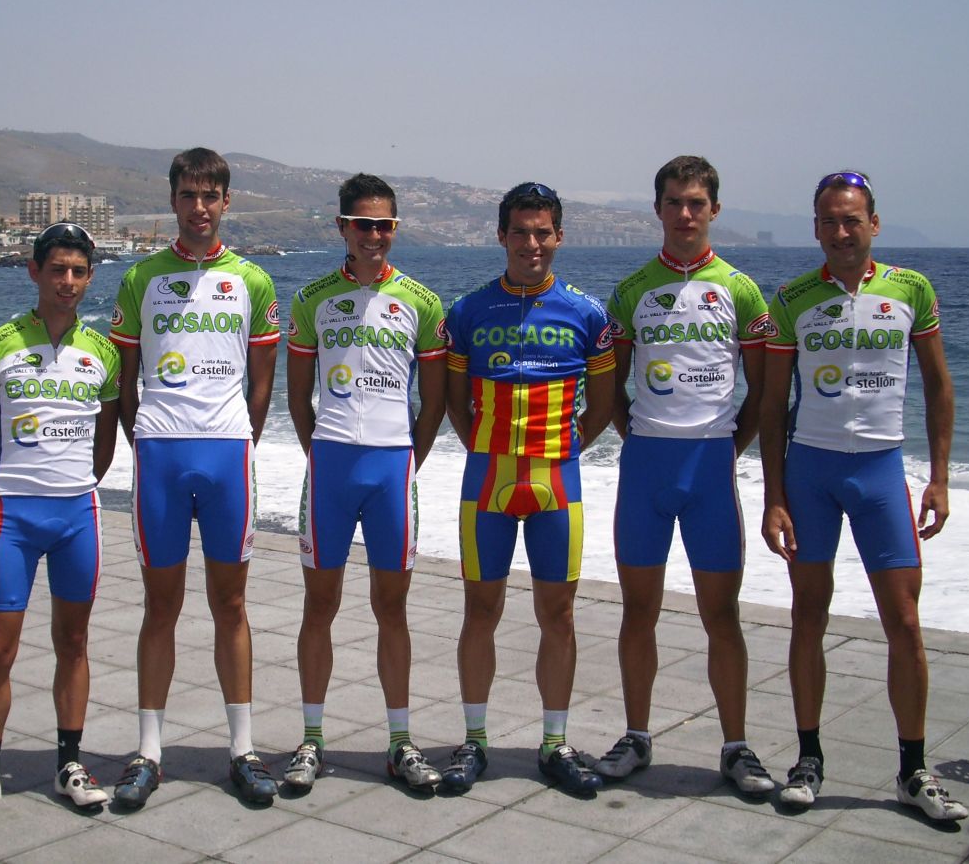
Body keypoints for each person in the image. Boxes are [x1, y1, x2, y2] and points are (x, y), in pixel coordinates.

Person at [760, 171, 967, 821]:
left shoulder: (911, 289)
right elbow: (771, 405)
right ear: (816, 228)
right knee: (808, 615)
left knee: (904, 621)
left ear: (873, 223)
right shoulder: (792, 298)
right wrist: (773, 496)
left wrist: (939, 477)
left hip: (880, 473)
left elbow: (939, 386)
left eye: (852, 219)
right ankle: (808, 758)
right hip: (811, 474)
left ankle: (913, 769)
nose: (841, 231)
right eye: (829, 220)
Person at [595, 156, 775, 796]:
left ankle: (736, 746)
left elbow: (763, 391)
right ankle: (636, 736)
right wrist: (641, 436)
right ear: (658, 210)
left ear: (714, 210)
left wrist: (728, 445)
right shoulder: (631, 290)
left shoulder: (741, 290)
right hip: (647, 468)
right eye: (673, 202)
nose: (685, 213)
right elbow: (610, 389)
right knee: (637, 611)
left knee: (721, 615)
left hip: (710, 472)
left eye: (696, 202)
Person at [109, 148, 281, 806]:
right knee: (161, 607)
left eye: (211, 196)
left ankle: (243, 749)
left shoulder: (253, 281)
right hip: (160, 455)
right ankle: (149, 752)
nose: (199, 207)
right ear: (174, 200)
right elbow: (124, 385)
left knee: (230, 605)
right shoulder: (141, 278)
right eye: (188, 195)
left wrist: (239, 436)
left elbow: (262, 384)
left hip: (227, 456)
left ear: (226, 202)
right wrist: (147, 438)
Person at [441, 182, 614, 795]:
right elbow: (454, 404)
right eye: (520, 232)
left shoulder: (588, 314)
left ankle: (554, 742)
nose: (531, 243)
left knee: (558, 615)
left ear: (559, 237)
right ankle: (474, 740)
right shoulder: (467, 310)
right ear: (501, 236)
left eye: (543, 233)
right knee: (480, 612)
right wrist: (489, 449)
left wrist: (559, 451)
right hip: (486, 481)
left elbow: (603, 406)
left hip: (556, 482)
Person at [284, 173, 447, 791]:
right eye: (363, 224)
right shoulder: (312, 299)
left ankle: (400, 742)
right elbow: (298, 398)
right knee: (319, 605)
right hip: (330, 469)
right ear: (343, 228)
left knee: (391, 608)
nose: (374, 235)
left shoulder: (422, 302)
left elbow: (433, 404)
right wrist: (322, 453)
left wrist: (407, 461)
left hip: (390, 471)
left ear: (394, 229)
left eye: (385, 225)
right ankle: (311, 739)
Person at [0, 223, 120, 822]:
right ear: (34, 271)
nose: (67, 281)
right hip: (12, 520)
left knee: (73, 644)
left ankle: (69, 764)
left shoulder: (103, 353)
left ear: (90, 277)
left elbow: (105, 445)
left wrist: (75, 486)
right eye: (57, 270)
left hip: (77, 516)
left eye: (78, 272)